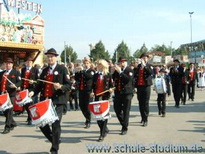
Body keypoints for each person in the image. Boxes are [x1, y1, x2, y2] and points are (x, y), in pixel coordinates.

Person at [29, 48, 70, 154]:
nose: (50, 58)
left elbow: (69, 85)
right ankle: (55, 140)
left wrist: (61, 86)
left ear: (56, 57)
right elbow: (39, 85)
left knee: (55, 124)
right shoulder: (45, 70)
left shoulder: (62, 69)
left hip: (58, 101)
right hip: (45, 101)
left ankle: (54, 149)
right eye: (48, 56)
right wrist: (33, 92)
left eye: (52, 56)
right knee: (42, 124)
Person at [90, 59, 113, 142]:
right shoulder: (95, 75)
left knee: (104, 116)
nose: (98, 66)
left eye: (99, 64)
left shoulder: (108, 75)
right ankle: (104, 129)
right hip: (97, 97)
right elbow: (92, 86)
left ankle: (102, 134)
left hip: (105, 98)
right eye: (98, 64)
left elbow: (111, 85)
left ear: (103, 66)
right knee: (98, 117)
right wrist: (92, 92)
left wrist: (111, 90)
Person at [112, 57, 134, 135]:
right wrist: (113, 71)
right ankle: (123, 123)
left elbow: (127, 79)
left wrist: (120, 72)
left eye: (123, 62)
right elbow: (113, 79)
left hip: (127, 93)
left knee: (126, 111)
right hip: (118, 93)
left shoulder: (129, 70)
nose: (121, 63)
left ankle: (124, 128)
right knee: (117, 109)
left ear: (125, 62)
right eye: (120, 62)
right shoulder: (117, 70)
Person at [0, 57, 21, 134]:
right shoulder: (2, 73)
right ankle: (12, 123)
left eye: (9, 63)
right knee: (4, 110)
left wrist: (15, 85)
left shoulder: (16, 72)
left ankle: (7, 127)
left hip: (11, 94)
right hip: (3, 94)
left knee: (9, 110)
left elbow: (20, 82)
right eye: (6, 63)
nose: (7, 65)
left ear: (12, 64)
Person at [75, 57, 95, 128]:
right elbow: (76, 78)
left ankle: (88, 120)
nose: (86, 64)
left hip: (88, 91)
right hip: (81, 90)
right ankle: (87, 117)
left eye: (87, 63)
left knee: (87, 107)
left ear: (90, 63)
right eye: (85, 63)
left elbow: (88, 76)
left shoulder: (91, 71)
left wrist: (82, 71)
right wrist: (77, 72)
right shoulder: (82, 71)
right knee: (81, 105)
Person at [134, 53, 152, 127]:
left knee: (145, 103)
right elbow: (135, 76)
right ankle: (142, 117)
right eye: (143, 58)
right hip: (139, 86)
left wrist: (144, 66)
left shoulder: (148, 65)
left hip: (146, 86)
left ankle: (146, 119)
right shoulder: (138, 66)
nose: (144, 59)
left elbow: (150, 73)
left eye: (145, 58)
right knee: (140, 103)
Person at [21, 57, 39, 125]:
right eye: (27, 62)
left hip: (31, 89)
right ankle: (29, 117)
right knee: (26, 104)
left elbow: (38, 80)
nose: (28, 63)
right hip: (24, 89)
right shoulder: (23, 69)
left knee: (31, 105)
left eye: (30, 62)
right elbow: (21, 79)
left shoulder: (35, 70)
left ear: (32, 63)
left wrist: (33, 82)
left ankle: (31, 118)